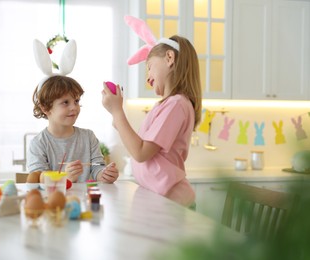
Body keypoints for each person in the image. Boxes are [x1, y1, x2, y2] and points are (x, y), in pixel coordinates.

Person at [102, 35, 202, 207]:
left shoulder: (176, 104)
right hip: (163, 201)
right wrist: (118, 119)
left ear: (169, 58)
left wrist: (118, 113)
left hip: (174, 204)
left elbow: (140, 153)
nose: (147, 78)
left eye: (149, 67)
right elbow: (141, 146)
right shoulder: (166, 105)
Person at [27, 75, 119, 183]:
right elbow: (38, 179)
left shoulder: (88, 137)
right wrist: (64, 178)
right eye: (65, 102)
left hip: (84, 199)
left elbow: (97, 167)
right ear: (45, 108)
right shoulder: (38, 143)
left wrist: (104, 174)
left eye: (76, 101)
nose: (74, 107)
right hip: (54, 199)